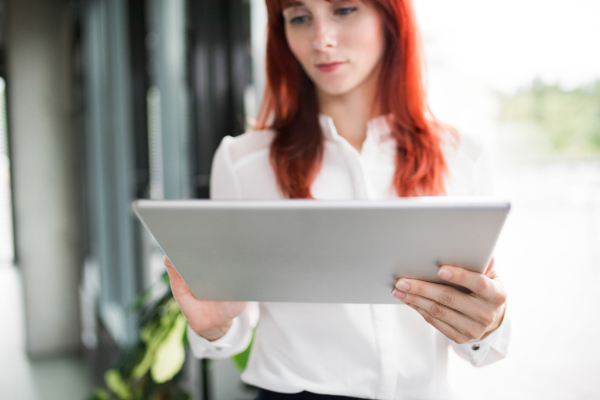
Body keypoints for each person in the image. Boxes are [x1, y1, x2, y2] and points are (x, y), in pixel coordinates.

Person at [163, 0, 510, 398]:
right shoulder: (242, 163)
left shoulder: (462, 155)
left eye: (344, 10)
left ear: (391, 18)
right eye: (299, 17)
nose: (321, 40)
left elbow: (490, 339)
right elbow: (234, 325)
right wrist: (215, 326)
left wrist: (489, 323)